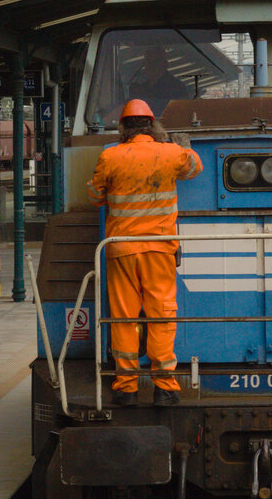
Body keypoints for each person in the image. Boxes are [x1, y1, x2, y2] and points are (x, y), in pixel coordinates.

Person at [87, 98, 203, 406]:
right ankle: (164, 387)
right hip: (159, 249)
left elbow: (95, 196)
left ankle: (126, 386)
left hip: (120, 250)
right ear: (152, 126)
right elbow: (195, 167)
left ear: (123, 128)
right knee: (161, 315)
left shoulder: (109, 156)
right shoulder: (171, 154)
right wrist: (184, 146)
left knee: (124, 316)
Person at [126, 44, 189, 113]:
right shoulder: (143, 87)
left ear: (165, 64)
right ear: (144, 65)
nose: (151, 65)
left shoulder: (177, 87)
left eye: (156, 61)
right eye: (148, 61)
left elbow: (181, 112)